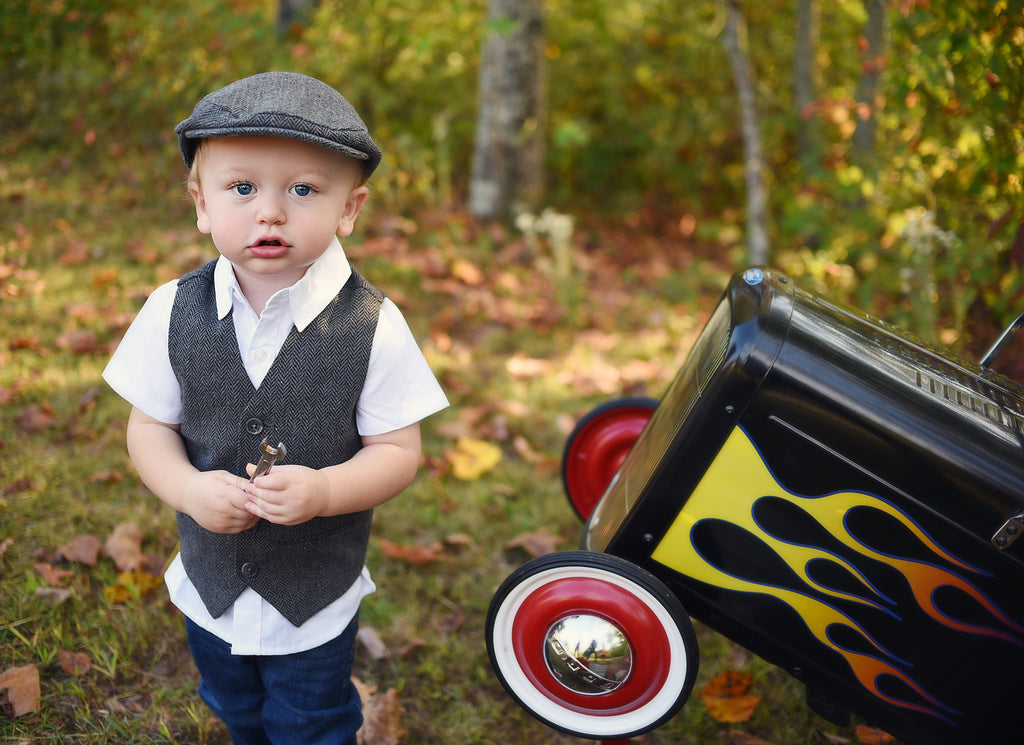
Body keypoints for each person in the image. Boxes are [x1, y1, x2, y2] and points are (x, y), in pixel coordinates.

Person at [103, 71, 448, 745]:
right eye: (242, 188)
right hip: (210, 589)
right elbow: (148, 428)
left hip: (312, 600)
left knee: (309, 721)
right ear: (200, 203)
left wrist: (325, 488)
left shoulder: (372, 324)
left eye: (303, 190)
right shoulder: (172, 310)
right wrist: (188, 489)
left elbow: (398, 452)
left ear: (350, 207)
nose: (270, 211)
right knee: (233, 706)